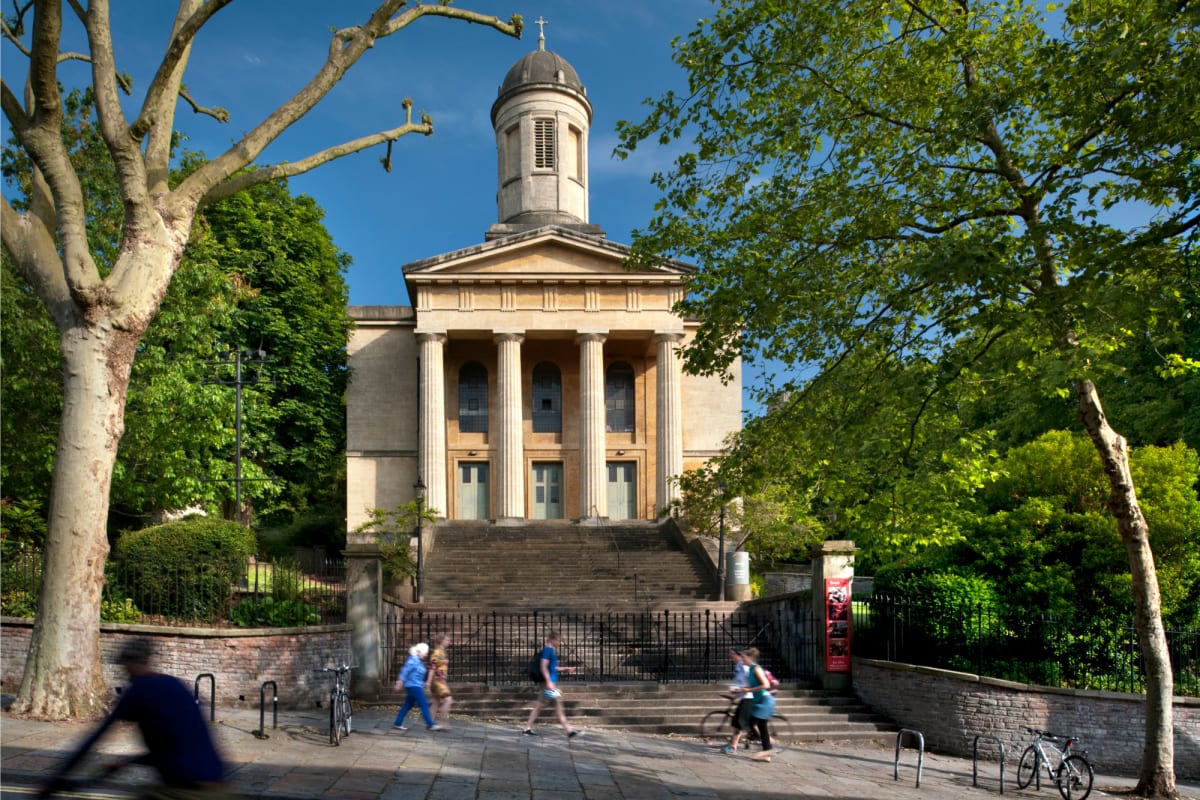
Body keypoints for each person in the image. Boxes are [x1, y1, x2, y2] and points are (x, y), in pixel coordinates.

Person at [39, 637, 233, 800]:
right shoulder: (176, 684)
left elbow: (94, 739)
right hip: (219, 789)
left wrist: (55, 779)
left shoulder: (138, 691)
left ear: (129, 664)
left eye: (124, 667)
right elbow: (176, 745)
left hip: (185, 792)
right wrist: (127, 763)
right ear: (147, 659)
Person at [522, 630, 578, 738]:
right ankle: (568, 730)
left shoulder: (550, 651)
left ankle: (527, 728)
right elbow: (543, 666)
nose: (560, 643)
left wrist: (564, 669)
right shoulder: (548, 650)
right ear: (553, 639)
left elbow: (551, 667)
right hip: (549, 683)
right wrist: (549, 682)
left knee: (541, 705)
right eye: (558, 640)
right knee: (557, 705)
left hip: (549, 683)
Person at [392, 643, 442, 732]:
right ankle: (430, 724)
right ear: (419, 651)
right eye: (425, 653)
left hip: (415, 686)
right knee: (424, 704)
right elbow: (405, 670)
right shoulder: (413, 660)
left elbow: (416, 674)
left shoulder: (418, 661)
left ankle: (397, 723)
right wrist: (400, 681)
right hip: (413, 686)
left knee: (407, 705)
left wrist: (423, 683)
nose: (426, 655)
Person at [740, 647, 775, 762]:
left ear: (750, 657)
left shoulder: (756, 668)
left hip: (765, 701)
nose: (742, 659)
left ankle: (768, 749)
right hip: (760, 701)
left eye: (744, 657)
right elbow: (755, 685)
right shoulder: (750, 669)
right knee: (759, 725)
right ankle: (767, 753)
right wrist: (744, 690)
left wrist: (749, 690)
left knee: (754, 723)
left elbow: (766, 685)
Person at [721, 647, 752, 754]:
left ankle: (733, 747)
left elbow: (750, 682)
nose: (730, 656)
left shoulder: (745, 667)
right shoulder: (739, 667)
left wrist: (740, 691)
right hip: (744, 697)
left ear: (739, 655)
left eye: (732, 654)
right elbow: (741, 683)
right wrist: (735, 693)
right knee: (746, 724)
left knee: (738, 723)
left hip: (749, 698)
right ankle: (768, 744)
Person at [428, 633, 453, 728]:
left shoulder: (442, 652)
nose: (449, 642)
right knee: (448, 700)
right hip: (437, 681)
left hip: (440, 681)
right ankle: (443, 722)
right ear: (441, 641)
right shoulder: (437, 652)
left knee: (436, 702)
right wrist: (428, 681)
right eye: (447, 640)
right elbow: (432, 667)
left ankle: (430, 723)